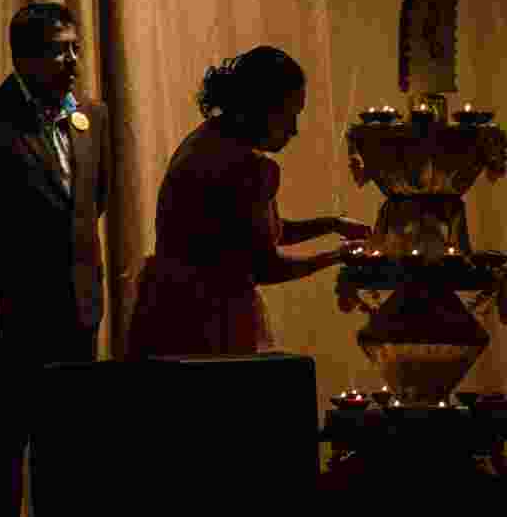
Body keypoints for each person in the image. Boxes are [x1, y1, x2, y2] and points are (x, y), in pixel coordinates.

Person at [0, 2, 112, 517]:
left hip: (78, 312)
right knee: (2, 454)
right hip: (13, 317)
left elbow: (93, 204)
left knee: (71, 452)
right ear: (23, 57)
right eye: (57, 50)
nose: (71, 59)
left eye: (75, 47)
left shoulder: (92, 114)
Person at [126, 46, 370, 359]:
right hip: (207, 325)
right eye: (290, 115)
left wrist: (333, 224)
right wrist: (336, 256)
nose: (295, 130)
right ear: (261, 108)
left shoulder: (203, 139)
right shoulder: (247, 167)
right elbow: (266, 267)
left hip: (163, 312)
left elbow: (261, 233)